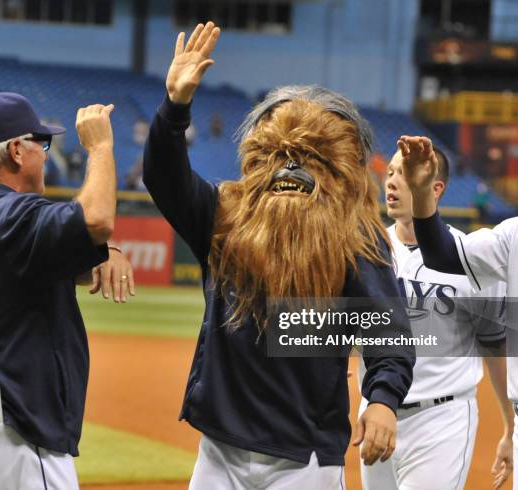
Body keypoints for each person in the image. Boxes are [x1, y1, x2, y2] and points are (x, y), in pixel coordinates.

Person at [143, 22, 414, 489]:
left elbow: (387, 333)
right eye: (281, 156)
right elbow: (164, 177)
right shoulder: (225, 215)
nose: (292, 171)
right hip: (219, 450)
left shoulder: (354, 236)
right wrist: (175, 108)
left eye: (309, 159)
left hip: (304, 457)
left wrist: (384, 401)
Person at [0, 92, 134, 489]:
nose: (44, 154)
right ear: (17, 151)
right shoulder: (5, 215)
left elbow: (34, 262)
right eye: (42, 143)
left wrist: (102, 252)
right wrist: (102, 148)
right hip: (15, 434)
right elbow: (97, 219)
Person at [359, 146, 512, 489]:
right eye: (391, 172)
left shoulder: (469, 258)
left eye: (405, 171)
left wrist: (509, 423)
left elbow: (493, 343)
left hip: (441, 419)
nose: (392, 182)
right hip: (377, 410)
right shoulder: (369, 250)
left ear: (435, 187)